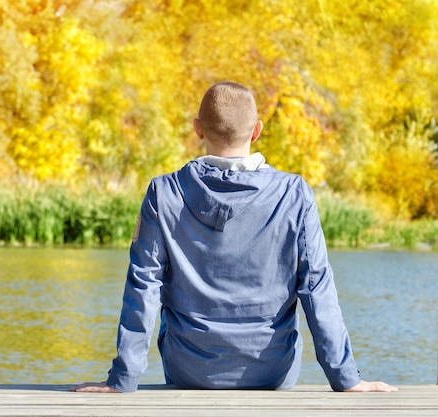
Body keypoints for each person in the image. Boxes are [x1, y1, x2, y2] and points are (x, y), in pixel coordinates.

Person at [71, 82, 397, 393]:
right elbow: (316, 286)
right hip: (273, 370)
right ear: (257, 130)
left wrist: (122, 379)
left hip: (190, 371)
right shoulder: (294, 193)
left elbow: (144, 284)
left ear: (198, 129)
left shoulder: (164, 192)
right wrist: (346, 379)